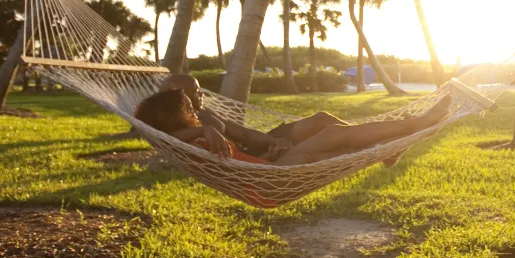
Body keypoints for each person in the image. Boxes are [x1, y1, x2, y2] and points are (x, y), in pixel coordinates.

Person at [134, 74, 450, 165]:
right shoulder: (190, 134)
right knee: (332, 137)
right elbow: (174, 139)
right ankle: (411, 127)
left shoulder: (202, 126)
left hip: (261, 163)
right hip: (264, 175)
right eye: (191, 99)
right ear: (175, 102)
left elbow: (241, 138)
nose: (198, 101)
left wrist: (271, 145)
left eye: (198, 95)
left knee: (328, 125)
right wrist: (202, 127)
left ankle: (388, 144)